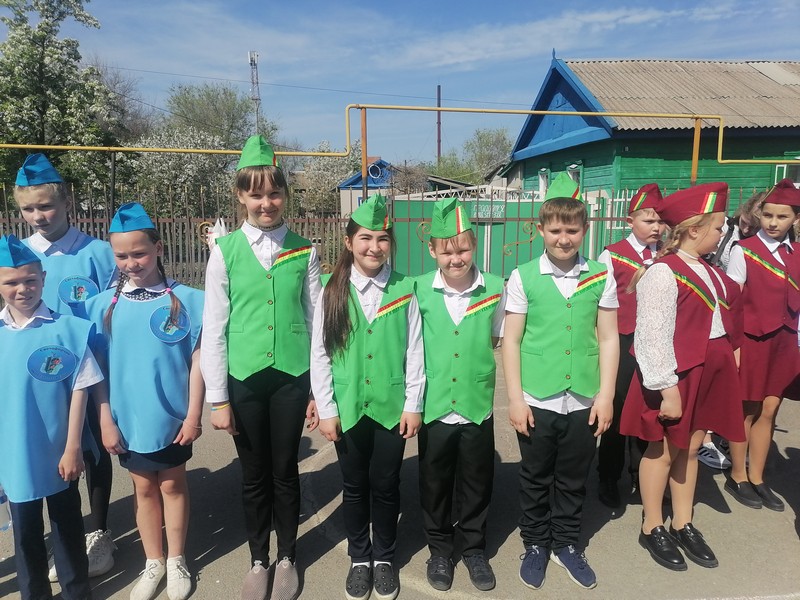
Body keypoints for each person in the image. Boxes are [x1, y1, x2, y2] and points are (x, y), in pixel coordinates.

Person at [201, 136, 321, 600]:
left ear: (285, 195)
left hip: (291, 378)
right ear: (240, 196)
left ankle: (287, 555)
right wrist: (218, 399)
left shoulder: (304, 250)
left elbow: (315, 322)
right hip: (245, 381)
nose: (266, 203)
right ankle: (258, 558)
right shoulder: (225, 250)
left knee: (285, 470)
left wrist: (318, 390)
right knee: (253, 475)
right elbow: (215, 327)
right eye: (256, 194)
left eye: (274, 193)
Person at [620, 182, 746, 572]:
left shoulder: (708, 270)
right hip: (677, 376)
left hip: (708, 372)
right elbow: (651, 335)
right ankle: (652, 525)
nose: (722, 234)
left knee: (690, 449)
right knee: (662, 451)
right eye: (718, 227)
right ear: (694, 230)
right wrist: (667, 388)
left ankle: (683, 521)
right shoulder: (663, 272)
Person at [503, 173, 619, 591]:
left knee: (573, 476)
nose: (564, 239)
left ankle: (567, 543)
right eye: (555, 230)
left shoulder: (600, 275)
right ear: (540, 230)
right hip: (538, 397)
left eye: (572, 230)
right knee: (536, 476)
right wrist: (516, 399)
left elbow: (608, 338)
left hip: (584, 397)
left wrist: (606, 396)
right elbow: (511, 340)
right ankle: (536, 543)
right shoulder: (523, 276)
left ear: (585, 229)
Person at [85, 203, 204, 600]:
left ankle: (177, 559)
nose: (131, 262)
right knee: (143, 489)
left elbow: (198, 363)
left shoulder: (188, 300)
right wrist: (105, 420)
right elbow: (97, 373)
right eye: (121, 255)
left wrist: (194, 414)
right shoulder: (102, 306)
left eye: (139, 253)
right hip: (127, 419)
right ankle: (154, 561)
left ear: (159, 249)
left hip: (172, 418)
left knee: (172, 484)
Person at [311, 194, 424, 600]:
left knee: (387, 485)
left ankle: (385, 558)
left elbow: (415, 350)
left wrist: (413, 403)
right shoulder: (331, 290)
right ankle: (360, 557)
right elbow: (320, 354)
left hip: (392, 407)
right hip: (348, 407)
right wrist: (327, 409)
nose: (374, 247)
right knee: (355, 485)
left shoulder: (405, 287)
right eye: (365, 238)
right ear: (349, 242)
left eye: (382, 238)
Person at [14, 153, 118, 580]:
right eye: (28, 209)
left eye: (46, 206)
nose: (38, 216)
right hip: (37, 380)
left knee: (91, 449)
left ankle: (99, 533)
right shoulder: (19, 255)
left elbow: (114, 311)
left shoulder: (98, 254)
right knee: (46, 449)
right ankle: (61, 536)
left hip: (91, 371)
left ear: (67, 203)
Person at [0, 234, 101, 600]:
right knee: (25, 532)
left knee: (67, 525)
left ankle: (77, 592)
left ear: (43, 278)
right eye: (11, 282)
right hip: (14, 455)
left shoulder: (67, 330)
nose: (22, 289)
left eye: (30, 280)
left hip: (60, 451)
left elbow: (80, 389)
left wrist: (73, 446)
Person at [416, 198, 505, 592]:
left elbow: (497, 337)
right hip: (435, 404)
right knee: (434, 481)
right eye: (447, 251)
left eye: (463, 250)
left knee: (476, 479)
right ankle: (439, 549)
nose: (456, 259)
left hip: (476, 402)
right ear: (432, 250)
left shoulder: (495, 288)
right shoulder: (418, 289)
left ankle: (473, 548)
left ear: (474, 245)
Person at [724, 178, 800, 512]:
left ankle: (757, 476)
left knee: (770, 409)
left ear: (795, 218)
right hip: (752, 341)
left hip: (785, 342)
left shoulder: (797, 253)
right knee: (747, 409)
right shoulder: (744, 250)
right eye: (768, 215)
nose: (773, 223)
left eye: (782, 217)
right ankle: (738, 475)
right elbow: (733, 303)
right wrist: (735, 346)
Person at [596, 183, 665, 507]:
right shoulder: (612, 255)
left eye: (660, 221)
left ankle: (642, 473)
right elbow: (600, 304)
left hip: (657, 344)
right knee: (619, 407)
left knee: (649, 410)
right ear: (630, 221)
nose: (656, 227)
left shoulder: (667, 254)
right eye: (648, 220)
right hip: (623, 343)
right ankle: (608, 476)